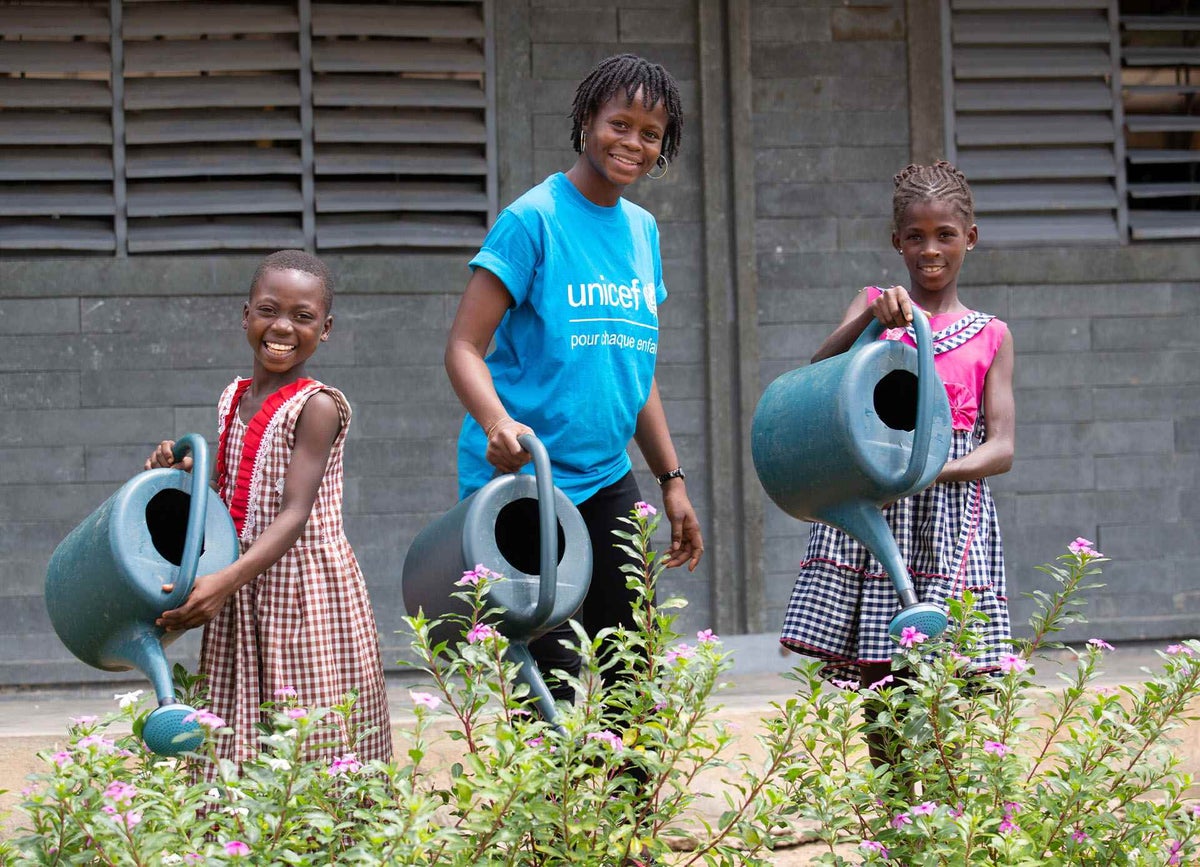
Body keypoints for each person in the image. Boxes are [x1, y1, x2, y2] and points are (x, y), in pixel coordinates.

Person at [444, 54, 704, 706]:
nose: (633, 143)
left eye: (651, 133)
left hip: (606, 474)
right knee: (550, 674)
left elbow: (633, 369)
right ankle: (554, 810)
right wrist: (497, 422)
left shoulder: (643, 233)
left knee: (628, 662)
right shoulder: (533, 220)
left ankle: (629, 808)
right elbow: (464, 347)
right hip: (526, 478)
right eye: (621, 123)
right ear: (588, 120)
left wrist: (671, 479)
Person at [145, 250, 392, 767]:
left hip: (304, 593)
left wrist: (227, 580)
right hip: (241, 583)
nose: (282, 326)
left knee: (307, 725)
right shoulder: (232, 397)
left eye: (302, 317)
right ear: (245, 315)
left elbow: (294, 513)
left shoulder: (317, 406)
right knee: (239, 726)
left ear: (325, 329)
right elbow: (232, 489)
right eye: (268, 310)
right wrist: (181, 472)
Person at [779, 161, 1015, 702]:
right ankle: (894, 790)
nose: (930, 249)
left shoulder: (992, 336)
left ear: (970, 239)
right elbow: (814, 379)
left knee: (949, 682)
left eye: (945, 235)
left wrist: (930, 471)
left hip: (950, 522)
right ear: (897, 242)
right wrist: (870, 326)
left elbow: (1001, 448)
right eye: (915, 237)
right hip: (877, 516)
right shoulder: (872, 306)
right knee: (881, 679)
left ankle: (941, 790)